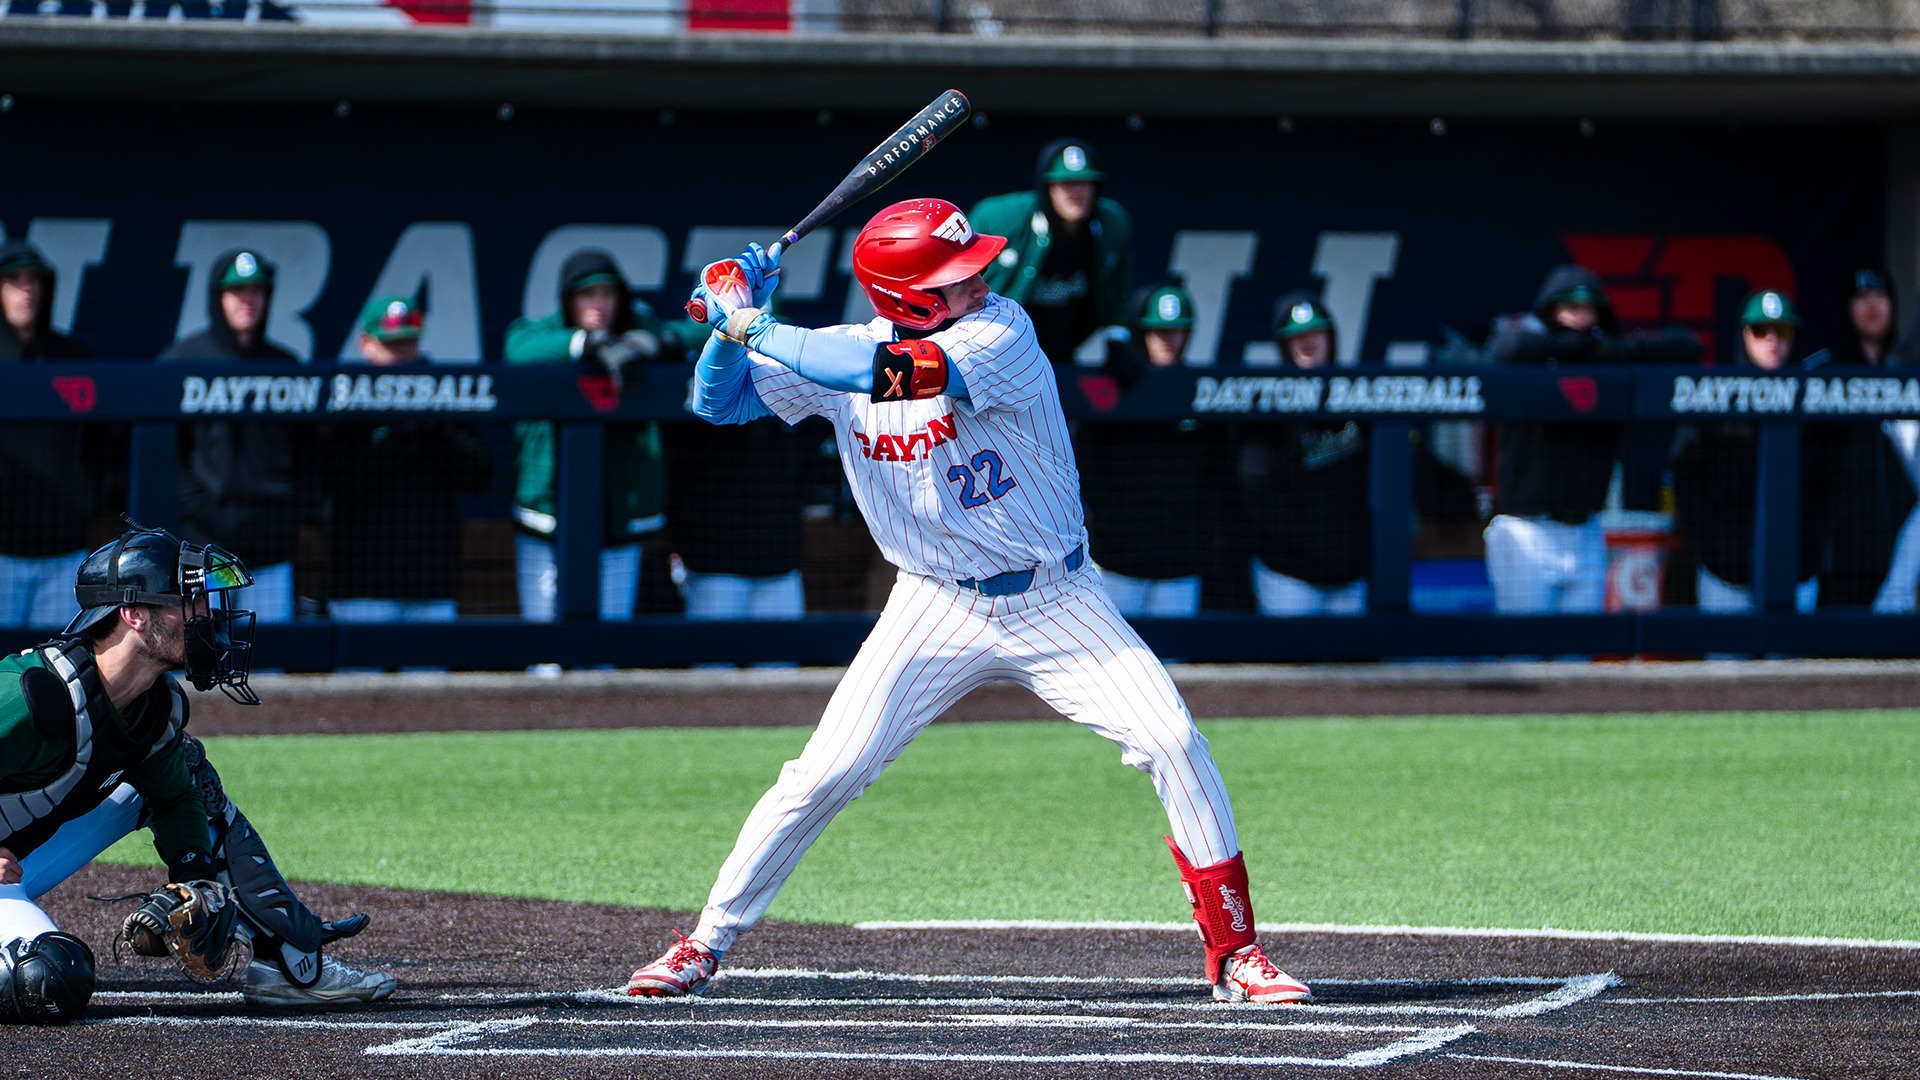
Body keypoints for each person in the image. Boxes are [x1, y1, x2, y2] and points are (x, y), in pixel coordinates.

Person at [625, 200, 1310, 1006]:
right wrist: (725, 326)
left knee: (1173, 740)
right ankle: (704, 941)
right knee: (824, 773)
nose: (978, 281)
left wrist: (748, 319)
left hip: (1057, 597)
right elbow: (720, 403)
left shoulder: (1003, 332)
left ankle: (1235, 951)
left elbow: (890, 376)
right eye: (955, 276)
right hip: (932, 604)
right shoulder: (841, 347)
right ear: (903, 294)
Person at [0, 526, 394, 1022]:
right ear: (134, 614)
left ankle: (291, 965)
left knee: (190, 773)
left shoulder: (157, 707)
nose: (206, 614)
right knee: (49, 978)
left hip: (15, 866)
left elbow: (174, 801)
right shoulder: (30, 694)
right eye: (189, 602)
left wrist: (196, 880)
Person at [1484, 265, 1701, 613]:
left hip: (1584, 529)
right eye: (1568, 306)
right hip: (1528, 528)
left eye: (1587, 307)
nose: (1579, 315)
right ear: (1550, 310)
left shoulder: (1609, 359)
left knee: (1577, 659)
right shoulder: (1528, 355)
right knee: (1522, 656)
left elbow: (1688, 344)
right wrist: (1580, 347)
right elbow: (1504, 347)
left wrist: (1607, 350)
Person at [506, 251, 678, 621]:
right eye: (587, 294)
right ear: (569, 299)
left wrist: (656, 343)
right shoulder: (543, 333)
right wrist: (589, 343)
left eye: (607, 294)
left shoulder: (637, 328)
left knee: (607, 648)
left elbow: (692, 332)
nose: (598, 304)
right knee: (546, 652)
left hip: (616, 521)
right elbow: (517, 350)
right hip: (547, 519)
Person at [318, 296, 494, 622]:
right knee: (360, 674)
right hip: (362, 587)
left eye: (408, 343)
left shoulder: (442, 397)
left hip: (429, 588)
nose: (401, 354)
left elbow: (479, 475)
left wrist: (432, 432)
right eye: (391, 345)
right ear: (366, 345)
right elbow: (325, 480)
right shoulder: (342, 404)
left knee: (429, 672)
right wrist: (385, 436)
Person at [158, 250, 304, 623]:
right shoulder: (183, 361)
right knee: (206, 659)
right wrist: (203, 511)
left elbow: (308, 453)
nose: (247, 300)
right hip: (205, 553)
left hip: (270, 554)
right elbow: (162, 454)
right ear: (217, 297)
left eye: (256, 291)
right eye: (237, 291)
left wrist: (286, 513)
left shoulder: (285, 366)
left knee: (269, 664)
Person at [1076, 284, 1230, 618]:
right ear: (1139, 332)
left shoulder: (1200, 392)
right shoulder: (1110, 392)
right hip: (1118, 563)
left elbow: (1219, 475)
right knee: (1113, 662)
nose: (1168, 340)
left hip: (1179, 564)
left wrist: (1199, 535)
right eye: (1158, 331)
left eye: (1176, 331)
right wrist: (1111, 526)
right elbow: (1087, 470)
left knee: (1174, 665)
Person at [1671, 289, 1822, 612]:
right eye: (1760, 330)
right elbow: (1686, 481)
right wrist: (1720, 549)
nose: (1772, 340)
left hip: (1795, 571)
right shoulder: (1710, 398)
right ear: (1744, 335)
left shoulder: (1815, 401)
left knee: (1792, 664)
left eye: (1781, 330)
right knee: (1727, 664)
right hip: (1725, 574)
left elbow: (1829, 488)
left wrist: (1808, 547)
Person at [1241, 293, 1370, 614]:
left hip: (1352, 575)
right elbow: (1254, 486)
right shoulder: (1266, 404)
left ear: (1331, 337)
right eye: (1297, 336)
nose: (1308, 342)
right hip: (1290, 575)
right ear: (1283, 344)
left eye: (1315, 333)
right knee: (1295, 664)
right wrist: (1308, 542)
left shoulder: (1360, 397)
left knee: (1356, 662)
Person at [0, 241, 105, 630]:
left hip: (63, 551)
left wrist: (87, 502)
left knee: (55, 672)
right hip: (2, 553)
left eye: (34, 280)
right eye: (13, 280)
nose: (26, 289)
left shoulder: (73, 356)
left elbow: (100, 445)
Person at [1807, 273, 1918, 607]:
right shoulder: (1823, 372)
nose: (1872, 305)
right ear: (1847, 307)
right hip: (1840, 562)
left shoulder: (1910, 368)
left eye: (1880, 295)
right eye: (1861, 296)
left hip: (1905, 558)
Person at [971, 139, 1132, 367]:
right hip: (996, 350)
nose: (1076, 192)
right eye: (1066, 183)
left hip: (1061, 351)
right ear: (1047, 187)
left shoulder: (1111, 225)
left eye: (1085, 182)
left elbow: (1116, 290)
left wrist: (1117, 341)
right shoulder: (1000, 219)